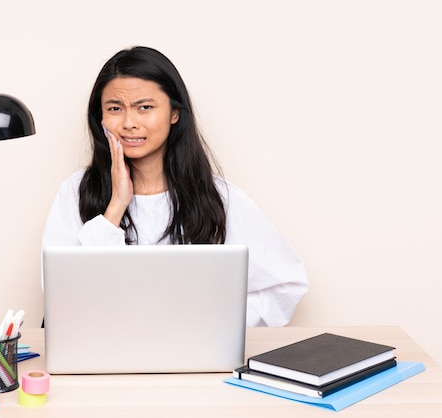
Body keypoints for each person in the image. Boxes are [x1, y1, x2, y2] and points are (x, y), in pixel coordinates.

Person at [42, 46, 308, 326]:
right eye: (115, 109)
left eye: (144, 107)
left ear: (174, 114)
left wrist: (213, 324)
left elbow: (286, 284)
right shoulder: (75, 191)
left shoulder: (216, 196)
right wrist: (116, 207)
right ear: (101, 118)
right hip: (103, 354)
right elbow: (66, 298)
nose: (129, 123)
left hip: (195, 358)